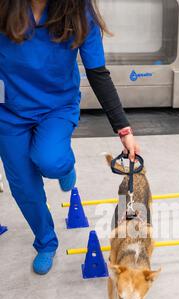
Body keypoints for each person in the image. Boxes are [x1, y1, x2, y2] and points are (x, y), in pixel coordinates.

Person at [0, 0, 140, 274]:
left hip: (56, 107)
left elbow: (98, 73)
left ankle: (65, 165)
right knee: (23, 188)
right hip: (9, 111)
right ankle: (46, 242)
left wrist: (123, 129)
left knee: (51, 160)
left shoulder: (79, 12)